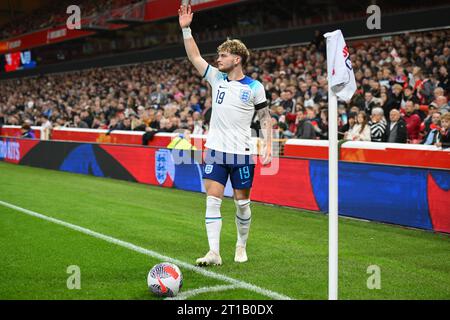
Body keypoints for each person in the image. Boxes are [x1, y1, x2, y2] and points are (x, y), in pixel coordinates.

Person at [179, 4, 272, 266]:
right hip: (216, 151)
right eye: (218, 55)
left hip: (242, 153)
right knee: (212, 201)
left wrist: (267, 145)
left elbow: (265, 118)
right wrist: (186, 29)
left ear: (237, 59)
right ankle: (214, 252)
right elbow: (195, 57)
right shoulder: (217, 79)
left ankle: (241, 246)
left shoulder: (255, 87)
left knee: (242, 205)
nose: (218, 58)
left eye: (223, 55)